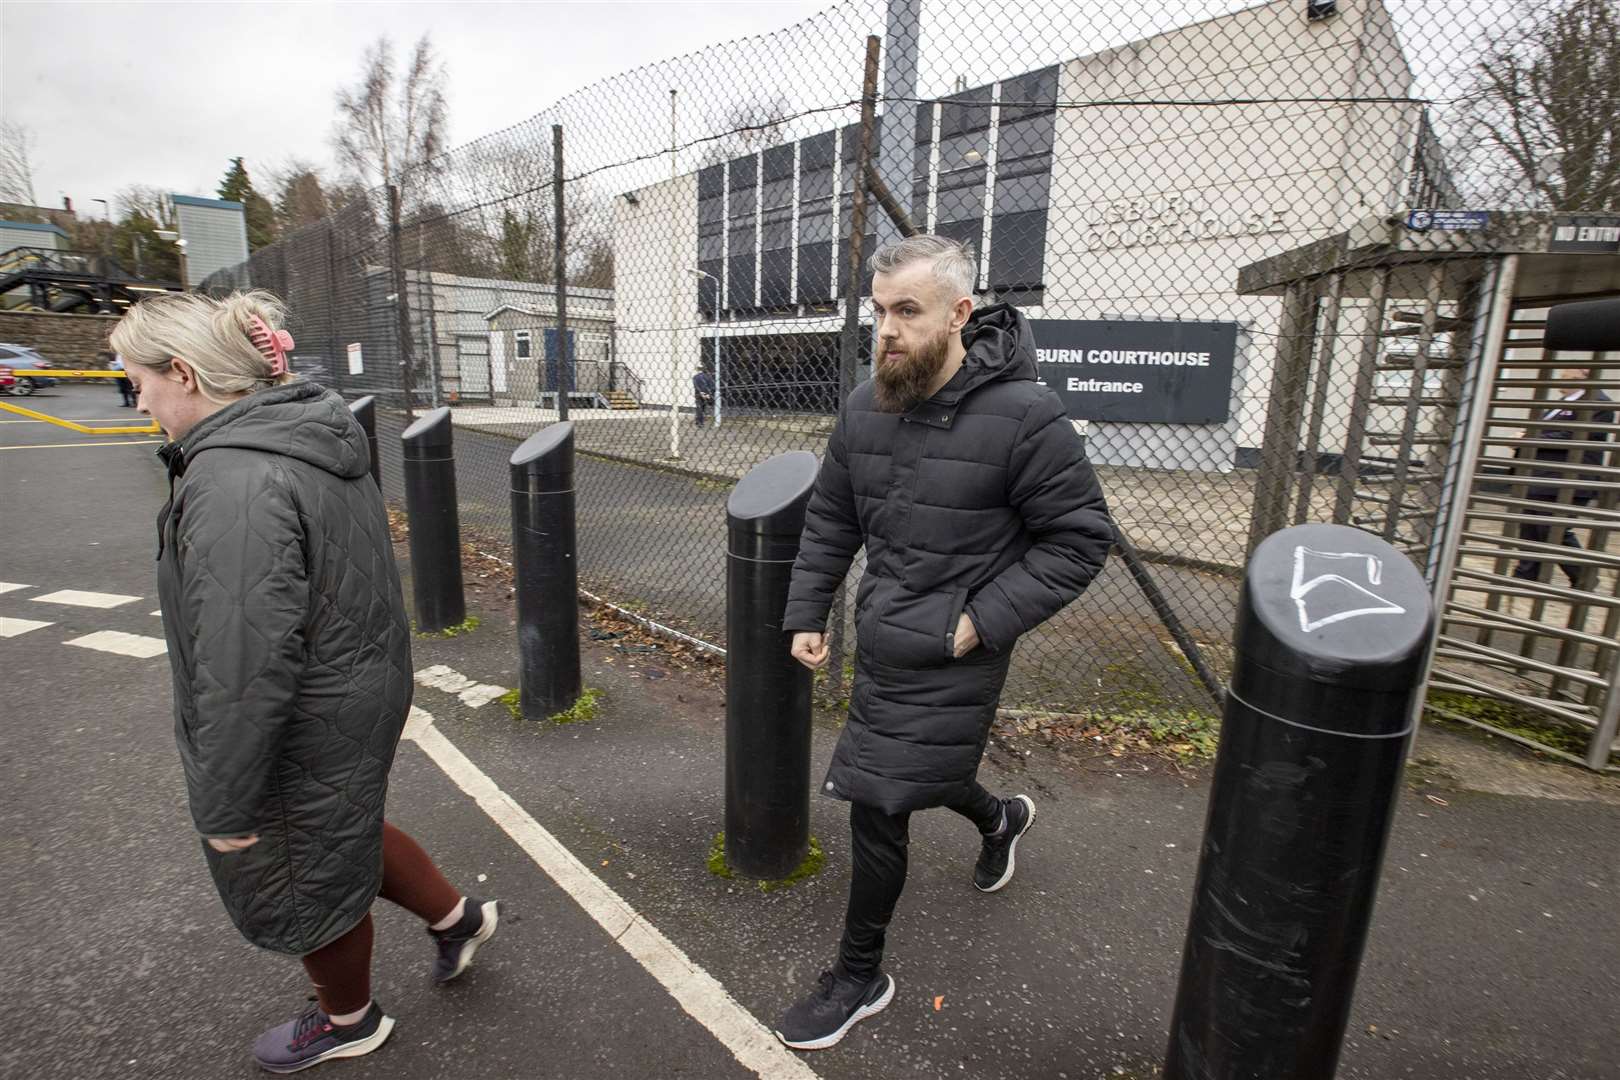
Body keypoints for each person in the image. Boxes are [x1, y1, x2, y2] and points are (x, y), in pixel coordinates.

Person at [111, 290, 499, 1074]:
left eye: (137, 381)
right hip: (352, 682)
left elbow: (244, 656)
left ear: (182, 373)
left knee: (299, 868)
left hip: (302, 707)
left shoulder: (233, 478)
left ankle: (349, 1019)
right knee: (338, 829)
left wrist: (226, 795)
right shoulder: (300, 435)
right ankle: (458, 919)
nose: (137, 398)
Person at [775, 235, 1113, 1050]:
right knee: (920, 770)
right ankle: (1000, 819)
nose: (886, 330)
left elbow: (1079, 539)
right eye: (879, 312)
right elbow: (832, 519)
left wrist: (978, 621)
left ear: (960, 314)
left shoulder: (1026, 416)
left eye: (907, 312)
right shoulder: (866, 406)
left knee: (880, 797)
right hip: (887, 636)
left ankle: (860, 977)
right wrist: (807, 609)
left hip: (957, 645)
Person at [1511, 365, 1614, 588]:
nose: (1562, 375)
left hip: (1567, 480)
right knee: (1530, 526)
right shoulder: (1559, 404)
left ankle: (1584, 577)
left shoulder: (1598, 402)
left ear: (1584, 373)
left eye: (1568, 372)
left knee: (1553, 528)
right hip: (1541, 477)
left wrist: (1529, 436)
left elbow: (1575, 434)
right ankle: (1526, 575)